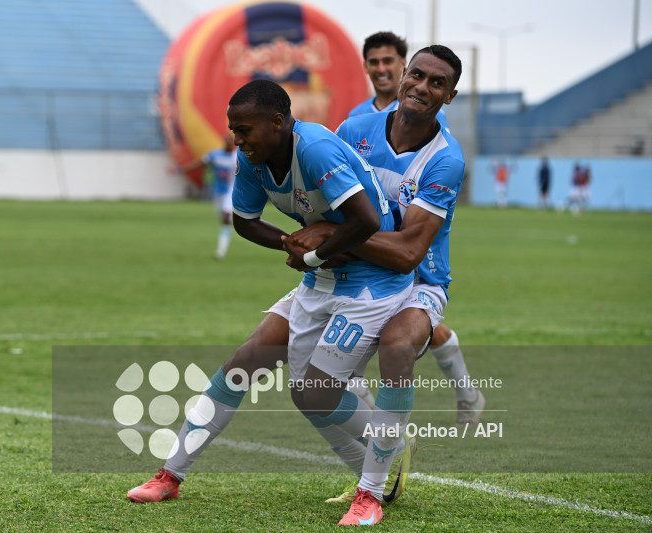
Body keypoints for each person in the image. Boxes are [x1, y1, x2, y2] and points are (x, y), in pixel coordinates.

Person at [128, 80, 415, 524]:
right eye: (233, 130)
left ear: (278, 122)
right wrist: (291, 243)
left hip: (370, 283)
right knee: (244, 363)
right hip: (322, 277)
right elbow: (245, 222)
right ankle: (169, 475)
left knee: (315, 393)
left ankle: (381, 464)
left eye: (244, 130)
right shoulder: (252, 158)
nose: (237, 140)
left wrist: (313, 253)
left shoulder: (316, 148)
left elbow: (367, 220)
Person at [282, 45, 471, 525]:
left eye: (437, 83)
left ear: (449, 96)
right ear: (405, 75)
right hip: (349, 275)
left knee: (398, 346)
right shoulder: (354, 130)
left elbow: (410, 252)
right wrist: (321, 240)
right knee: (289, 378)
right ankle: (173, 471)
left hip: (419, 283)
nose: (422, 88)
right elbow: (327, 210)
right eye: (419, 75)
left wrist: (334, 236)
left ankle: (369, 491)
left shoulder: (444, 159)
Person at [179, 133, 237, 259]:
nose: (228, 143)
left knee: (226, 219)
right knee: (226, 219)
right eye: (227, 140)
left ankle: (221, 252)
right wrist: (182, 169)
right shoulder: (215, 155)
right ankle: (240, 221)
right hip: (217, 193)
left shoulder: (237, 157)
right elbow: (199, 164)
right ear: (223, 141)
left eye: (231, 141)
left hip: (230, 192)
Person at [347, 32, 408, 118]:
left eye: (387, 61)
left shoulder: (416, 110)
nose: (381, 69)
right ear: (365, 66)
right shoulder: (356, 115)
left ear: (402, 63)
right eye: (374, 62)